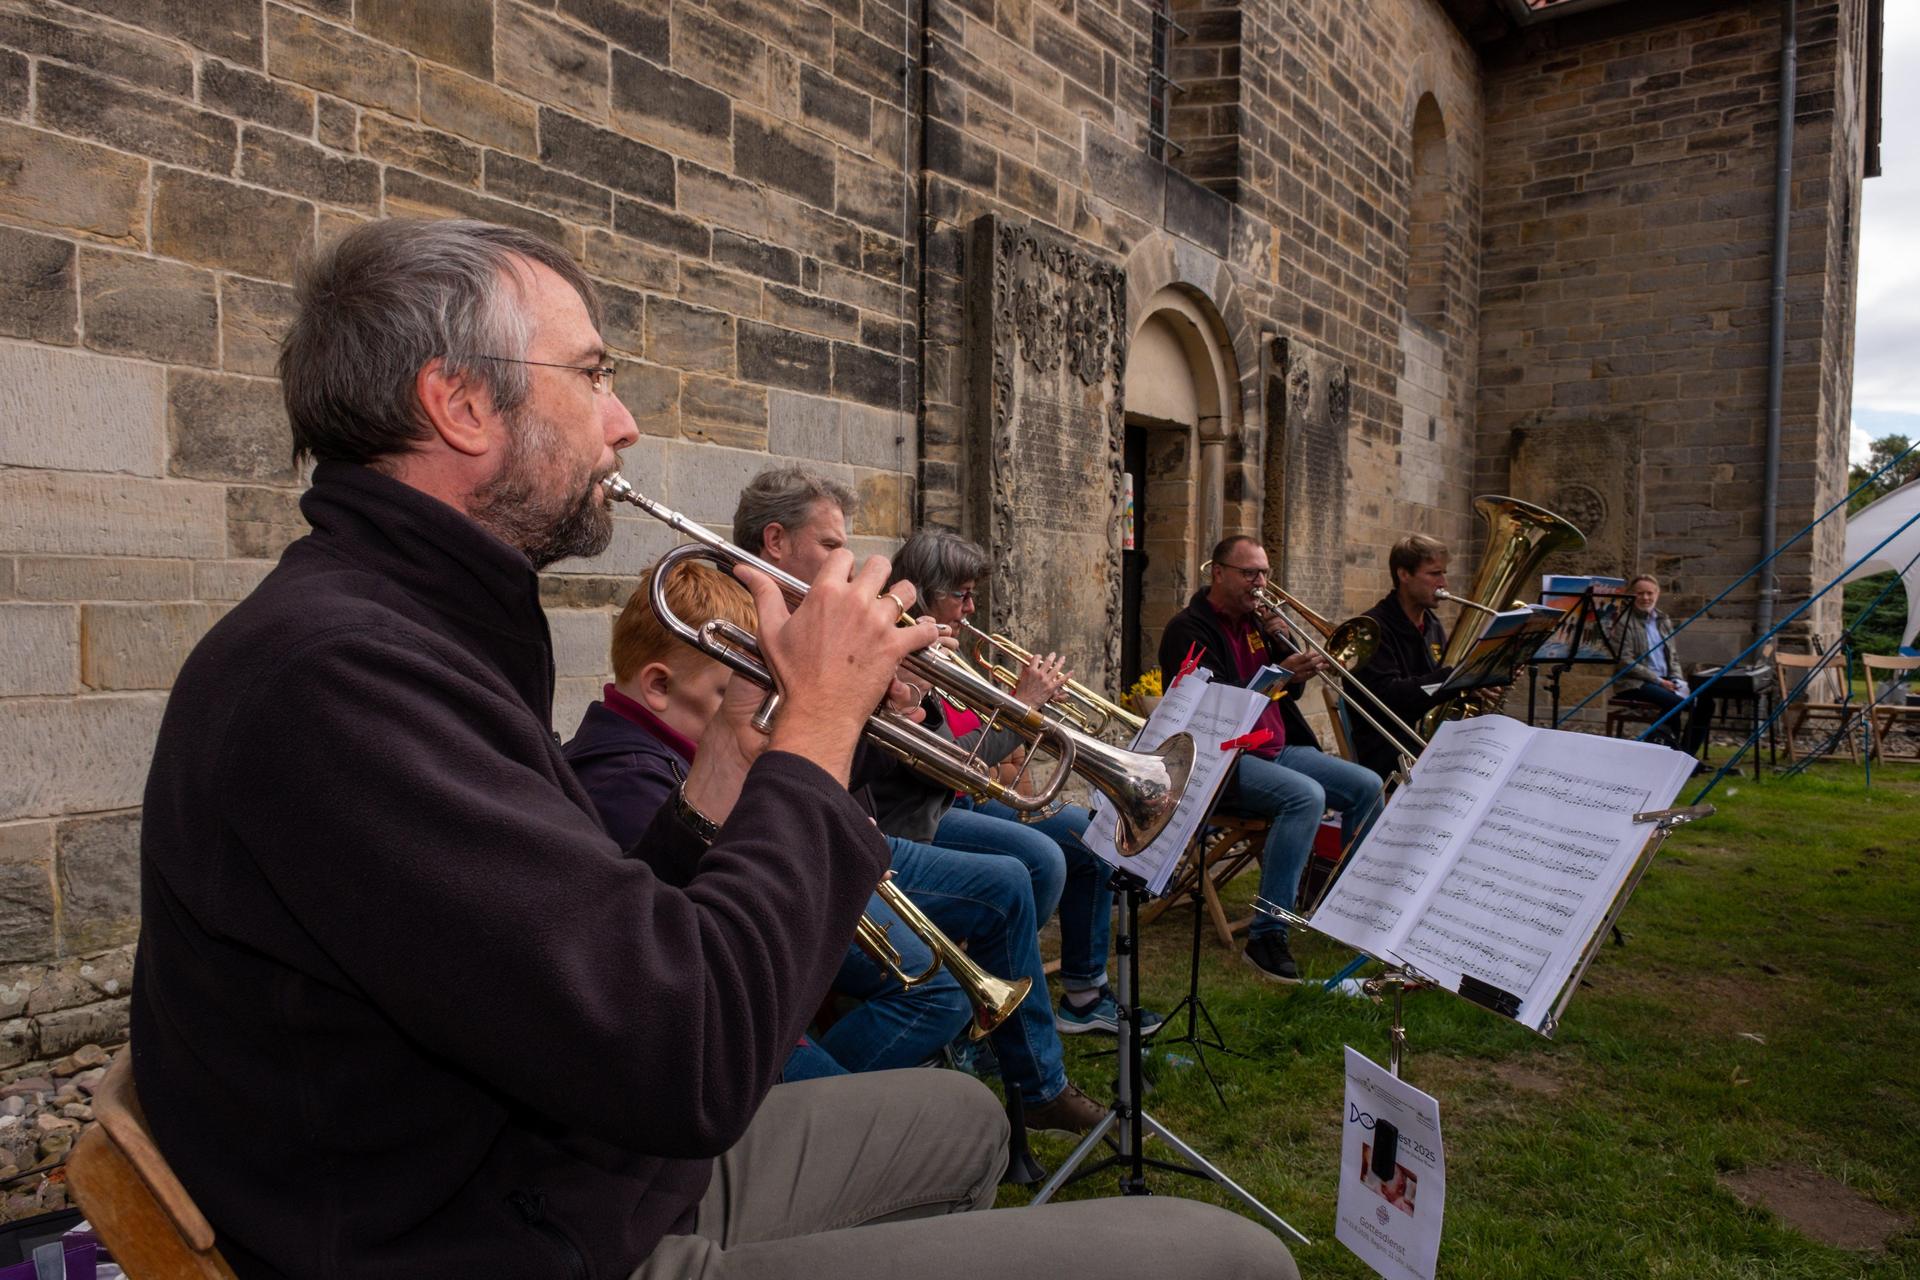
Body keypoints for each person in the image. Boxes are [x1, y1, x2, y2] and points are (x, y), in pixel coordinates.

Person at [129, 218, 1300, 1280]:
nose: (624, 419)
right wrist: (823, 729)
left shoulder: (404, 626)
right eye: (591, 375)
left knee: (966, 1119)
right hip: (513, 1237)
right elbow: (689, 1053)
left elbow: (583, 951)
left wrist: (725, 780)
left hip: (572, 1170)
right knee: (1224, 1256)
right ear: (461, 406)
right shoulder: (341, 678)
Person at [734, 467, 1109, 1131]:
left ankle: (1021, 1062)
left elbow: (896, 754)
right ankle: (820, 1119)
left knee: (1036, 864)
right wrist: (1005, 709)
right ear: (775, 541)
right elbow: (913, 768)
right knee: (1012, 881)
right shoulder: (761, 626)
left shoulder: (838, 629)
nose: (846, 567)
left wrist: (908, 706)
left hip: (862, 822)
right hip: (849, 834)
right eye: (832, 547)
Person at [564, 557, 972, 1075]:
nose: (754, 709)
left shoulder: (679, 740)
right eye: (725, 692)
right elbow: (704, 944)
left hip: (762, 972)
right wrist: (821, 844)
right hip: (722, 1018)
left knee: (996, 904)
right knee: (942, 1038)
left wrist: (870, 707)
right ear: (659, 687)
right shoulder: (622, 781)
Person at [880, 528, 1163, 1037]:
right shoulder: (907, 658)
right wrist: (1023, 706)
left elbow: (979, 746)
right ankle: (989, 995)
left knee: (1089, 835)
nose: (970, 609)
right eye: (960, 595)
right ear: (922, 590)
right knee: (1041, 860)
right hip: (923, 814)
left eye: (974, 595)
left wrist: (1017, 710)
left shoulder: (948, 651)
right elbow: (949, 760)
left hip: (955, 801)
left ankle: (1084, 990)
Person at [1159, 536, 1384, 984]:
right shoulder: (1188, 629)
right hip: (1220, 760)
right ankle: (1266, 936)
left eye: (1264, 573)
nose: (1260, 583)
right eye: (1249, 573)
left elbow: (1291, 691)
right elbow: (1212, 711)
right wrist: (1279, 677)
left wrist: (1285, 648)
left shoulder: (1259, 623)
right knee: (1305, 798)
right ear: (1217, 573)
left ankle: (1343, 910)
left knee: (1368, 785)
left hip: (1275, 747)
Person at [1350, 533, 1455, 781]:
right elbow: (1390, 697)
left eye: (1444, 574)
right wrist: (1452, 680)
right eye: (1434, 574)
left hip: (1423, 738)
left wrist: (1473, 683)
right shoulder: (1371, 628)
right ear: (1404, 575)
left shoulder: (1432, 625)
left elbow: (1434, 686)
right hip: (1387, 746)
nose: (1444, 583)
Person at [1609, 573, 1715, 762]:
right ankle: (1670, 758)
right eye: (1640, 593)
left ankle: (1686, 757)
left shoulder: (1663, 620)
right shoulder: (1623, 622)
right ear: (1631, 595)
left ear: (1657, 594)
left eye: (1649, 593)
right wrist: (1659, 681)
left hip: (1666, 681)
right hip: (1635, 683)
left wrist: (1677, 680)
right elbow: (1625, 661)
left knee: (1705, 703)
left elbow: (1672, 656)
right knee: (1674, 704)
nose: (1645, 598)